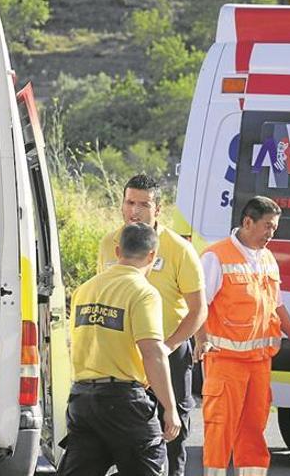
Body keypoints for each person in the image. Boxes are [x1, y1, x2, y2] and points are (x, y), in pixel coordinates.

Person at [196, 196, 290, 476]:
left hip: (259, 363)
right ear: (247, 222)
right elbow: (199, 305)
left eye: (275, 228)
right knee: (220, 430)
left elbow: (277, 304)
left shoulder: (267, 258)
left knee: (254, 431)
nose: (271, 234)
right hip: (226, 363)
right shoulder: (216, 256)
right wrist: (200, 339)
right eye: (268, 227)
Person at [97, 174, 207, 476]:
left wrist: (168, 346)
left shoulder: (178, 249)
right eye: (130, 202)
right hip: (125, 358)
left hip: (169, 352)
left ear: (158, 209)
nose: (135, 211)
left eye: (144, 204)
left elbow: (198, 310)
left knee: (172, 432)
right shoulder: (110, 244)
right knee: (128, 439)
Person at [58, 223, 181, 476]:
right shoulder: (143, 292)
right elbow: (152, 353)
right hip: (123, 402)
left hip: (83, 400)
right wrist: (170, 408)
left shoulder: (85, 289)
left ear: (117, 251)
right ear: (152, 256)